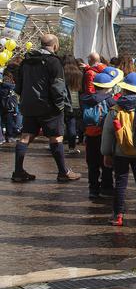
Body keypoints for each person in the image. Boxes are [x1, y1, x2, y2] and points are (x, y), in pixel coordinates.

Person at [11, 34, 81, 183]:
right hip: (49, 107)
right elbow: (58, 87)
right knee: (56, 137)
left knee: (25, 136)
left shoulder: (26, 61)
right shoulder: (54, 62)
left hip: (28, 105)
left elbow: (18, 85)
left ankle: (18, 171)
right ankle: (63, 172)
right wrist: (61, 105)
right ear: (55, 46)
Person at [100, 72, 136, 227]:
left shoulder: (115, 109)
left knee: (120, 184)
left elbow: (108, 133)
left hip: (120, 152)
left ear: (124, 90)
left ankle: (118, 216)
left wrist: (106, 153)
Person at [80, 66, 121, 200]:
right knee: (106, 162)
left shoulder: (86, 99)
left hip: (90, 134)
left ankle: (93, 189)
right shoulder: (110, 100)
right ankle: (107, 187)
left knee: (92, 165)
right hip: (105, 135)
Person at [62, 58, 83, 155]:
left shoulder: (62, 72)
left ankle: (55, 144)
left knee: (60, 124)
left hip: (63, 102)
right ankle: (71, 147)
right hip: (76, 103)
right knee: (72, 125)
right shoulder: (79, 73)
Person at [0, 70, 19, 144]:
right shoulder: (12, 87)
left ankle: (2, 137)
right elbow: (14, 98)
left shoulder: (1, 86)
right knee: (9, 122)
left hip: (2, 106)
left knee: (2, 122)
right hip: (9, 107)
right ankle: (9, 137)